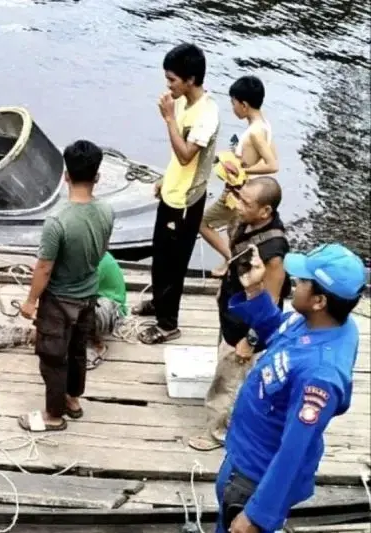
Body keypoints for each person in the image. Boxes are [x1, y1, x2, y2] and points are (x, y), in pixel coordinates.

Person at [215, 243, 364, 533]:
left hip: (255, 478)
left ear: (319, 300)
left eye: (302, 281)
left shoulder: (320, 377)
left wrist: (257, 516)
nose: (294, 283)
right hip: (244, 453)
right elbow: (278, 332)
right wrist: (256, 291)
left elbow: (294, 451)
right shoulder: (321, 322)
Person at [18, 140, 114, 432]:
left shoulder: (57, 222)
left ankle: (54, 415)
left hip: (59, 301)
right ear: (97, 177)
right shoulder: (107, 212)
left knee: (52, 356)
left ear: (65, 175)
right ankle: (73, 399)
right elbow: (102, 251)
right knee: (77, 351)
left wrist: (31, 300)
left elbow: (44, 267)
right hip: (88, 296)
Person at [188, 177, 290, 451]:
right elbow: (205, 221)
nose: (239, 205)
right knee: (227, 373)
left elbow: (271, 302)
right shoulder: (248, 220)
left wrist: (251, 340)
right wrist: (225, 197)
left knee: (230, 383)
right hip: (232, 313)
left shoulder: (273, 252)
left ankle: (218, 433)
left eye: (245, 202)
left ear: (265, 211)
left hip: (247, 330)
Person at [135, 42, 220, 345]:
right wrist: (164, 178)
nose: (168, 85)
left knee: (174, 263)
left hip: (186, 202)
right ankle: (159, 304)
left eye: (172, 79)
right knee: (160, 254)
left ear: (191, 80)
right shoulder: (182, 101)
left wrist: (169, 118)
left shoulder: (206, 115)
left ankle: (168, 324)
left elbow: (186, 155)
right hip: (171, 191)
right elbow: (177, 157)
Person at [202, 75, 280, 277]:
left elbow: (272, 164)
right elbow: (268, 158)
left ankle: (232, 259)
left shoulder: (254, 132)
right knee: (233, 229)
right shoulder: (264, 125)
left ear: (244, 105)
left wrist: (243, 170)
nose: (233, 107)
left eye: (233, 102)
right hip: (245, 192)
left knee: (203, 223)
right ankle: (231, 262)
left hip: (239, 192)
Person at [87, 251, 127, 369]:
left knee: (75, 303)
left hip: (111, 311)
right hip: (93, 298)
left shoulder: (97, 260)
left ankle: (93, 344)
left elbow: (77, 293)